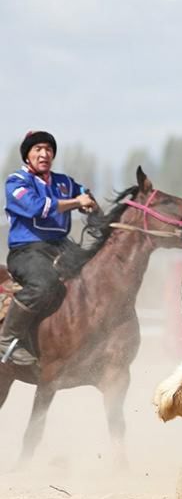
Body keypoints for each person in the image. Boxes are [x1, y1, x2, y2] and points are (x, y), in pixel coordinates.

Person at [0, 131, 98, 367]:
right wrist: (77, 203)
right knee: (44, 285)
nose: (44, 154)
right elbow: (36, 207)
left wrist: (88, 203)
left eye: (49, 149)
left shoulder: (64, 182)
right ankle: (7, 337)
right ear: (27, 155)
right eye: (38, 149)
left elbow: (84, 193)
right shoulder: (16, 182)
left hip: (61, 246)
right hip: (27, 251)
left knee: (95, 273)